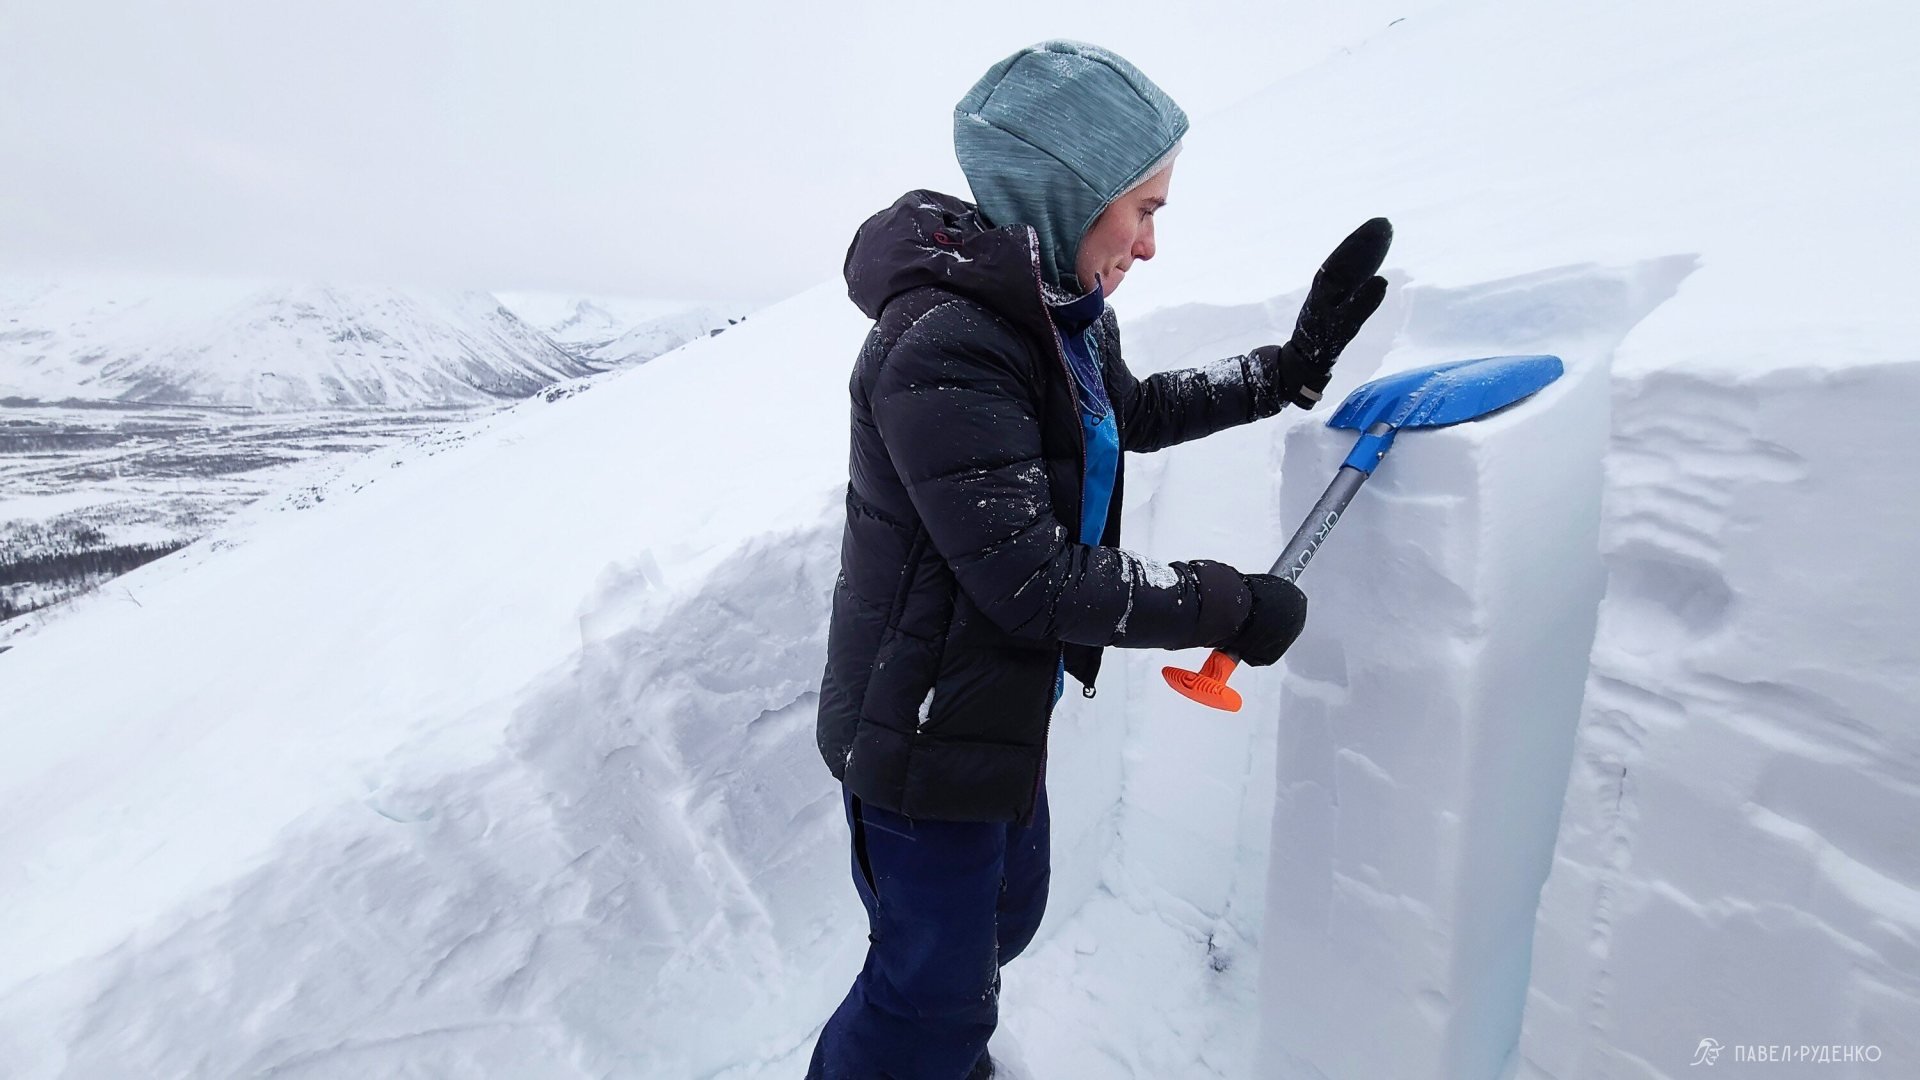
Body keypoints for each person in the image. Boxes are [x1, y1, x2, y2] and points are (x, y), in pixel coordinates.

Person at [807, 39, 1391, 1080]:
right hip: (922, 732)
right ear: (1066, 193)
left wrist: (1285, 372)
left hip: (986, 709)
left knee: (998, 927)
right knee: (923, 999)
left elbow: (1127, 414)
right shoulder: (946, 342)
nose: (1152, 244)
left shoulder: (1054, 315)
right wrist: (1225, 606)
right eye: (1145, 209)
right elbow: (1030, 580)